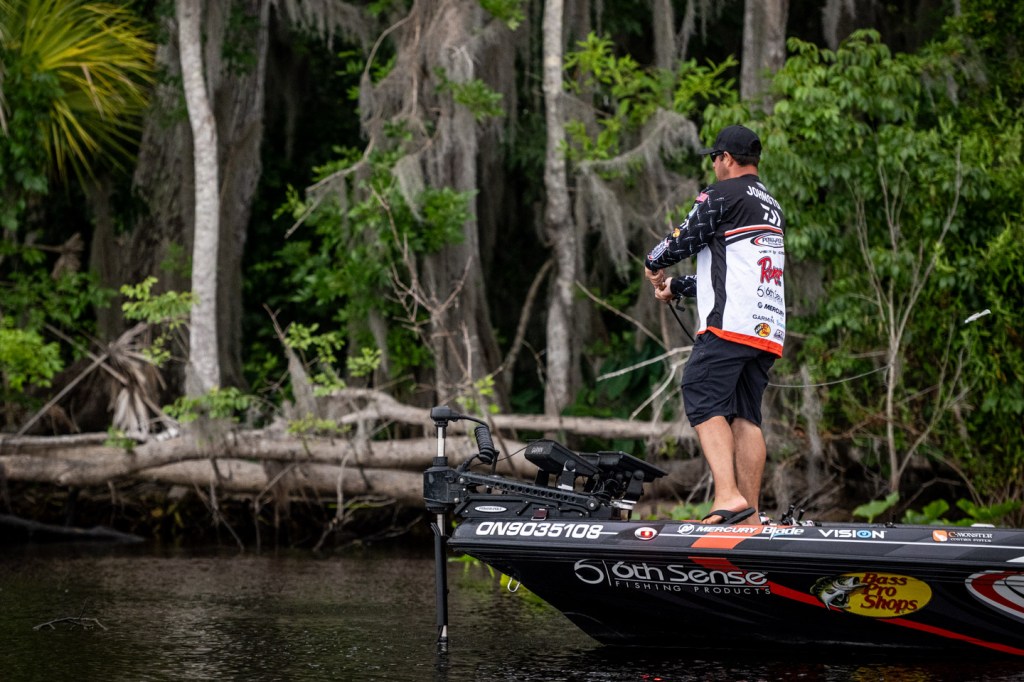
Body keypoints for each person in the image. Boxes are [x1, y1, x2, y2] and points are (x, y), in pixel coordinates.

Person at [643, 124, 785, 526]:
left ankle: (727, 497)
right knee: (745, 416)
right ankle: (750, 517)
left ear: (726, 159)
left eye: (714, 158)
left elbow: (684, 238)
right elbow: (733, 270)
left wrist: (654, 262)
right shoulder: (770, 204)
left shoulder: (721, 194)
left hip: (729, 325)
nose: (713, 165)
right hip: (765, 328)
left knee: (699, 390)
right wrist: (677, 286)